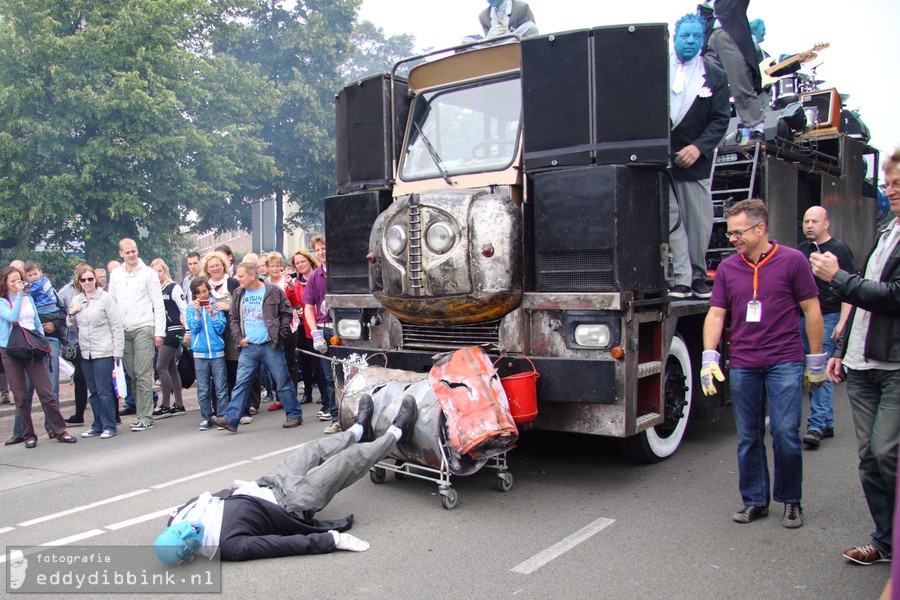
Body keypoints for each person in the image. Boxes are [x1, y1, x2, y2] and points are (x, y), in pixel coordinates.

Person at [154, 395, 417, 563]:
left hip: (267, 482)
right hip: (291, 503)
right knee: (346, 462)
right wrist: (333, 540)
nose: (187, 528)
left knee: (312, 450)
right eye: (184, 537)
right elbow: (281, 545)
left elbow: (209, 501)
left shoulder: (180, 515)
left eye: (178, 528)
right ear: (189, 554)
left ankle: (359, 430)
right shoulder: (229, 547)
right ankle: (396, 433)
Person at [701, 199, 824, 528]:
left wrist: (815, 360)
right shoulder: (728, 268)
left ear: (760, 228)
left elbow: (812, 310)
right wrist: (709, 356)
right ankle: (755, 500)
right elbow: (716, 313)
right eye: (729, 234)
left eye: (737, 232)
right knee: (748, 437)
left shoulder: (793, 261)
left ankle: (791, 500)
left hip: (784, 360)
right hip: (743, 362)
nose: (733, 239)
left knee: (785, 433)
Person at [810, 149, 900, 566]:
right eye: (888, 183)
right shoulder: (887, 236)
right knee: (868, 459)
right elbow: (864, 301)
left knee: (886, 453)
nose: (890, 189)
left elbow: (893, 298)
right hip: (863, 362)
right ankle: (885, 543)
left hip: (894, 366)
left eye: (897, 182)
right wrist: (841, 350)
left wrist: (839, 278)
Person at [666, 13, 730, 299]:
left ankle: (698, 275)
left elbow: (720, 119)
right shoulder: (657, 68)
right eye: (685, 36)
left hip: (695, 161)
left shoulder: (715, 76)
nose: (690, 41)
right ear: (674, 37)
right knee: (671, 219)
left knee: (698, 221)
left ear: (702, 40)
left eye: (696, 36)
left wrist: (699, 148)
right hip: (663, 160)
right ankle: (680, 277)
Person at [212, 262, 303, 432]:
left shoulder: (273, 291)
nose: (238, 279)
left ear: (252, 276)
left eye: (241, 276)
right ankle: (231, 419)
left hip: (270, 345)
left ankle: (294, 414)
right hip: (248, 346)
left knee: (282, 381)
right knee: (241, 383)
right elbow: (233, 318)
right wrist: (238, 338)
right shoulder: (239, 293)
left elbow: (286, 312)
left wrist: (279, 334)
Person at [796, 206, 854, 449]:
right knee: (805, 370)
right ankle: (826, 421)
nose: (809, 225)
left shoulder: (839, 250)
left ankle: (817, 425)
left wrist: (842, 321)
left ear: (826, 224)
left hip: (829, 315)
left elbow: (851, 288)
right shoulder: (800, 252)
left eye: (815, 221)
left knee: (819, 367)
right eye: (806, 221)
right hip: (802, 317)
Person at [0, 266, 76, 447]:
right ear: (5, 283)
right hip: (11, 349)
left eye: (19, 280)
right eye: (13, 281)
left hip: (32, 346)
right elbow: (11, 317)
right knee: (20, 395)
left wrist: (42, 342)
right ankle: (28, 435)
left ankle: (60, 430)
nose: (17, 283)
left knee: (46, 391)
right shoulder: (3, 301)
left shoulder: (28, 298)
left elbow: (35, 321)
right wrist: (18, 296)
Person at [108, 238, 165, 432]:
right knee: (131, 373)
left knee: (142, 373)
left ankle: (146, 416)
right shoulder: (115, 275)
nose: (132, 255)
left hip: (143, 326)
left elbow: (158, 302)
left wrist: (159, 332)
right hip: (123, 329)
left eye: (134, 251)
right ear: (121, 253)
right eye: (128, 252)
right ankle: (139, 412)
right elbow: (112, 302)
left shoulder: (148, 273)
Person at [68, 264, 124, 439]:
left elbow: (116, 325)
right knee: (92, 390)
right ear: (79, 282)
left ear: (95, 280)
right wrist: (72, 313)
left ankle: (109, 425)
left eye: (90, 279)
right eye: (83, 280)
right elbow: (70, 326)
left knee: (104, 390)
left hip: (104, 350)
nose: (87, 282)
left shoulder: (105, 298)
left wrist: (118, 350)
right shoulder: (77, 300)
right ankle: (97, 424)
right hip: (86, 351)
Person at [704, 0, 767, 142]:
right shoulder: (706, 4)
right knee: (705, 87)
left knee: (739, 82)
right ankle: (705, 131)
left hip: (729, 36)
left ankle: (757, 127)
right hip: (708, 40)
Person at [304, 235, 338, 432]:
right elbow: (308, 307)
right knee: (330, 377)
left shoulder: (343, 272)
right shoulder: (314, 277)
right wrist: (315, 332)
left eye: (324, 248)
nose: (321, 252)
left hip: (346, 329)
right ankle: (336, 418)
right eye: (317, 249)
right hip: (324, 331)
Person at [186, 277, 228, 431]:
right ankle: (206, 417)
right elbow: (193, 329)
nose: (202, 296)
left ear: (208, 290)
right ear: (194, 294)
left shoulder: (215, 305)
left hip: (217, 352)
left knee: (221, 388)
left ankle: (222, 416)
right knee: (203, 389)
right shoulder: (190, 308)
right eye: (198, 293)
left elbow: (221, 328)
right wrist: (197, 312)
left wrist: (212, 313)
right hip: (200, 354)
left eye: (204, 291)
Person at [201, 251, 240, 415]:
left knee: (235, 369)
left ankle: (242, 406)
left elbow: (242, 306)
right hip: (214, 336)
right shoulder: (204, 286)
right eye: (212, 266)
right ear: (207, 269)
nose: (215, 268)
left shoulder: (232, 283)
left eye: (218, 265)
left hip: (232, 334)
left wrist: (228, 308)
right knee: (218, 374)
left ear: (224, 266)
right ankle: (222, 408)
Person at [285, 249, 322, 408]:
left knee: (319, 362)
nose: (300, 265)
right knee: (305, 361)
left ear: (309, 260)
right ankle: (307, 391)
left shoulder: (318, 276)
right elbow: (296, 302)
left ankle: (324, 393)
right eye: (297, 263)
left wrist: (307, 309)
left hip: (318, 322)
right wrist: (291, 290)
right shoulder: (297, 283)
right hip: (303, 325)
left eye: (302, 261)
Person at [151, 258, 187, 418]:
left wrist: (187, 330)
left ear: (165, 271)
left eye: (160, 271)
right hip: (161, 331)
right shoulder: (153, 290)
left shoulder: (173, 287)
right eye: (154, 272)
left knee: (160, 367)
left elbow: (184, 308)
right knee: (171, 367)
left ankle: (165, 404)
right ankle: (179, 404)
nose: (157, 274)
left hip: (173, 330)